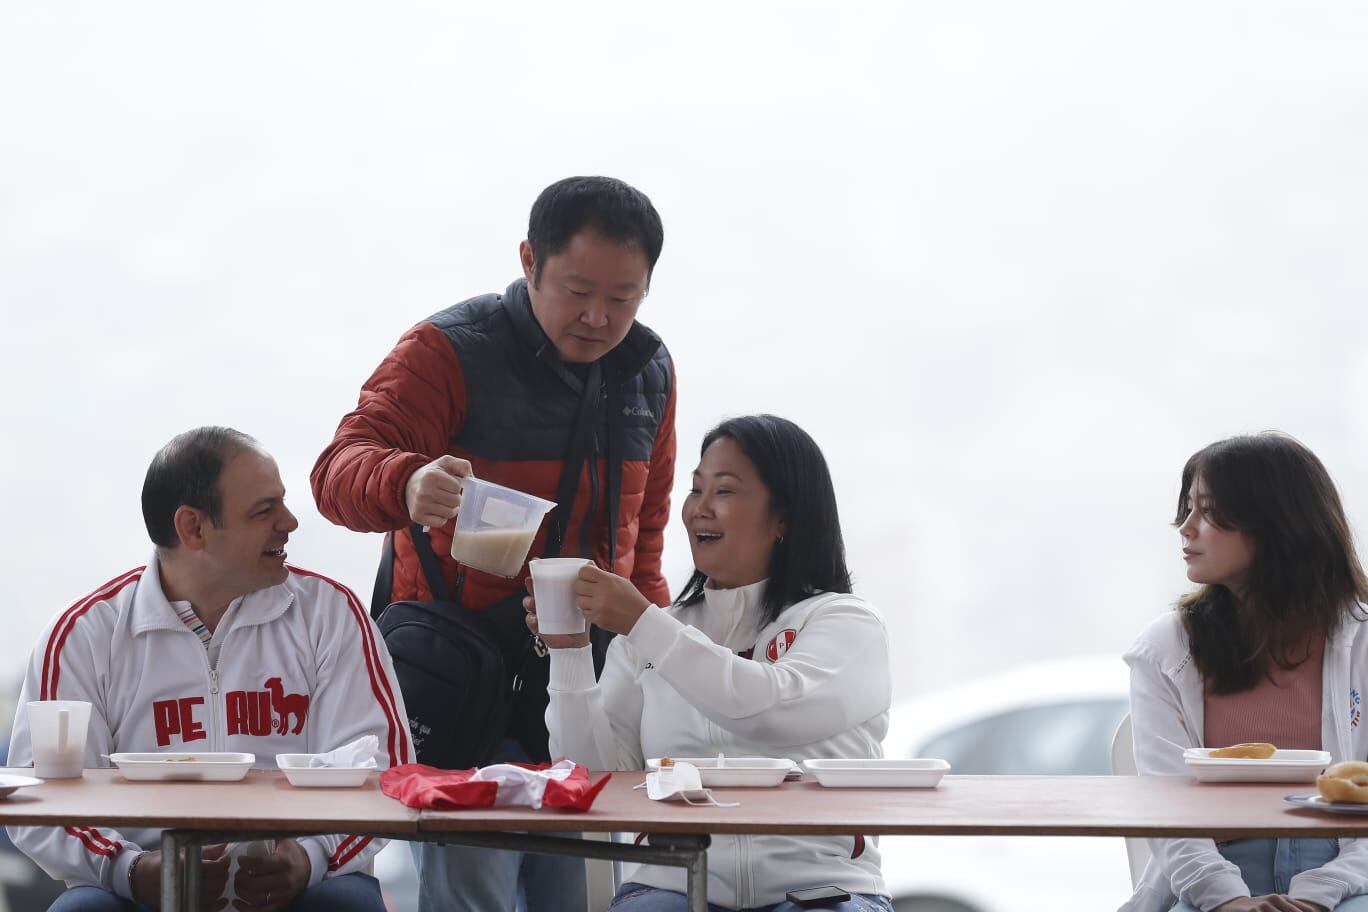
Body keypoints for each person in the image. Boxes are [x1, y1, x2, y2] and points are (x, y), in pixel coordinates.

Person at [311, 176, 676, 912]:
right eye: (578, 290)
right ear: (529, 262)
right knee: (471, 889)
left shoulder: (647, 373)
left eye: (624, 297)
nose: (598, 317)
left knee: (570, 891)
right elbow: (335, 471)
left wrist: (655, 673)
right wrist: (408, 482)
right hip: (459, 677)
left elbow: (646, 547)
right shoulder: (447, 351)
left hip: (579, 686)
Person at [6, 427, 411, 912]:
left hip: (304, 889)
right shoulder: (84, 634)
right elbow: (36, 799)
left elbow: (385, 772)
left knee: (351, 904)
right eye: (264, 510)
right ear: (193, 528)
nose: (290, 521)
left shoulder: (331, 614)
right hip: (135, 893)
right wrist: (129, 871)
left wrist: (310, 859)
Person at [527, 414, 893, 912]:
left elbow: (767, 709)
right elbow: (590, 777)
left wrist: (642, 621)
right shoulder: (648, 635)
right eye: (696, 489)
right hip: (668, 888)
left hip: (820, 890)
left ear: (784, 517)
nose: (700, 509)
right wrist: (570, 651)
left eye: (724, 491)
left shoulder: (845, 623)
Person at [1123, 433, 1368, 912]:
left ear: (1278, 524)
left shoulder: (1362, 642)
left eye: (1209, 511)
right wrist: (1227, 900)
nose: (1186, 528)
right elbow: (1169, 814)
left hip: (1350, 871)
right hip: (1211, 872)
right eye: (1187, 508)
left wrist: (1321, 893)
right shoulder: (1163, 649)